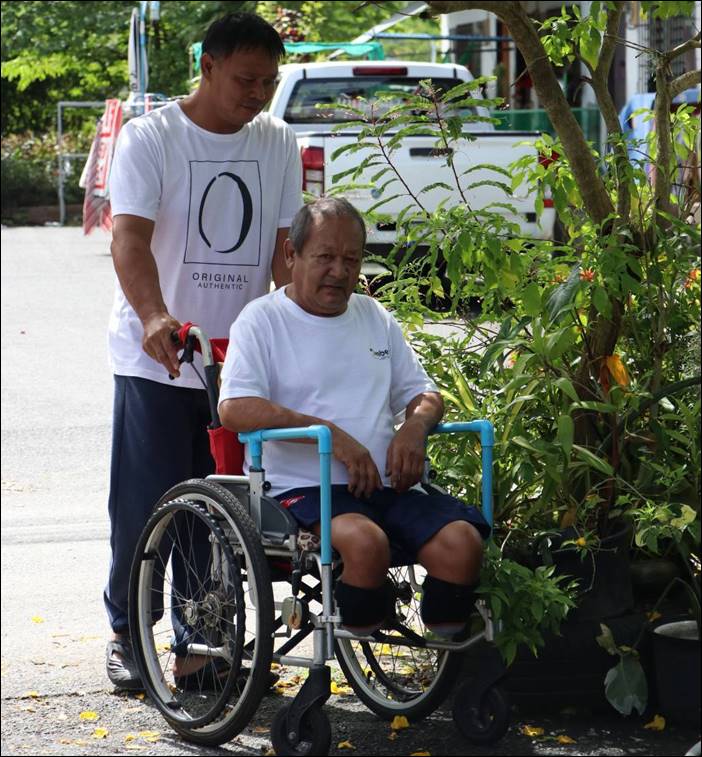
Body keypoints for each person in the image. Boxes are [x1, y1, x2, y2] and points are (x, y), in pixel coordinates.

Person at [104, 12, 302, 690]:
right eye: (247, 80)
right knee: (146, 504)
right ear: (208, 66)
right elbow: (128, 238)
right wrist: (155, 315)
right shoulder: (151, 138)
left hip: (238, 364)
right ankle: (130, 633)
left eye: (270, 83)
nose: (258, 96)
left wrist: (302, 328)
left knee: (225, 509)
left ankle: (203, 644)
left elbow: (285, 252)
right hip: (160, 356)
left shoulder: (277, 142)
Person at [218, 198, 490, 637]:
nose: (340, 272)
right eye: (325, 257)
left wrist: (415, 428)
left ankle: (451, 653)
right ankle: (360, 629)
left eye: (351, 259)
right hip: (301, 490)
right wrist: (330, 436)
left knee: (463, 544)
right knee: (365, 544)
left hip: (386, 486)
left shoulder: (373, 316)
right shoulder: (262, 320)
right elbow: (234, 408)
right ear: (291, 254)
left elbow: (424, 394)